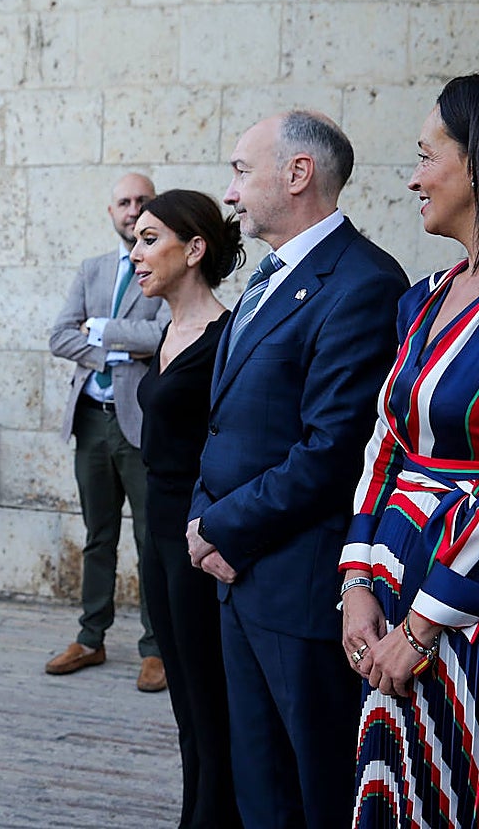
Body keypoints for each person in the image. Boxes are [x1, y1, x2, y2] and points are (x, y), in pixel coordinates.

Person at [186, 111, 408, 828]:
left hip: (299, 590)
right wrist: (204, 520)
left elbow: (331, 452)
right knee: (259, 788)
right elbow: (225, 424)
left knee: (314, 790)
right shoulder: (269, 277)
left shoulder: (363, 282)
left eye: (240, 171)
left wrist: (216, 525)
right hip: (238, 577)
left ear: (298, 173)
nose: (229, 193)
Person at [340, 74, 479, 828]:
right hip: (395, 586)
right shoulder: (420, 296)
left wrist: (426, 625)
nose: (414, 177)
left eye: (427, 156)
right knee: (394, 789)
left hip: (461, 611)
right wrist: (356, 581)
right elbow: (382, 448)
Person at [132, 190, 242, 829]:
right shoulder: (167, 330)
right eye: (136, 240)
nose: (137, 254)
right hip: (158, 529)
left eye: (150, 240)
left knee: (209, 699)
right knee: (185, 704)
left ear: (194, 249)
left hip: (200, 533)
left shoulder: (226, 338)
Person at [46, 172, 170, 693]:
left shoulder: (165, 267)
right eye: (124, 202)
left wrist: (100, 330)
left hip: (138, 423)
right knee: (98, 536)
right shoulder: (92, 269)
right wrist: (113, 355)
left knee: (150, 538)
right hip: (91, 422)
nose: (132, 209)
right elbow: (58, 335)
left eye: (142, 202)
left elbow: (163, 334)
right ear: (111, 211)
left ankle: (155, 647)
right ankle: (90, 636)